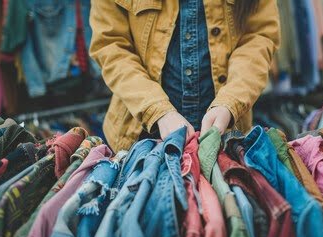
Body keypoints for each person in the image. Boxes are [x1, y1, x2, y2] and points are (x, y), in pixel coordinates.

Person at [89, 0, 280, 151]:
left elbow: (258, 38)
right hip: (138, 137)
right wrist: (157, 111)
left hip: (227, 136)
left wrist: (231, 103)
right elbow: (111, 46)